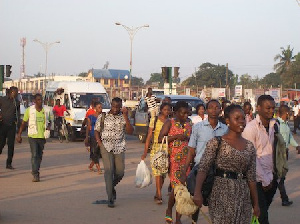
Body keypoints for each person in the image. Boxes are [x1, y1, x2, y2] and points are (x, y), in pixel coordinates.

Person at [193, 104, 260, 223]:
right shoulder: (216, 143)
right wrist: (197, 193)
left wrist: (256, 204)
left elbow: (251, 178)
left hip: (243, 196)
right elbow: (203, 169)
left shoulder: (249, 147)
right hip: (220, 193)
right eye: (237, 118)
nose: (241, 121)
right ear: (227, 120)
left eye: (243, 118)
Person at [182, 99, 228, 223]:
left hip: (218, 171)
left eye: (217, 107)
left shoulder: (225, 129)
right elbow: (191, 150)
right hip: (200, 169)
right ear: (207, 110)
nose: (214, 109)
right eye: (211, 107)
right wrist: (185, 169)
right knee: (197, 199)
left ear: (220, 110)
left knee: (217, 202)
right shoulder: (198, 127)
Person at [242, 95, 278, 224]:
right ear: (258, 108)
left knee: (261, 214)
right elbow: (251, 157)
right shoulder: (251, 129)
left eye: (273, 108)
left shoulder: (275, 125)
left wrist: (275, 177)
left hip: (271, 177)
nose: (271, 111)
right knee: (262, 217)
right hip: (256, 181)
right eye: (268, 108)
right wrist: (265, 180)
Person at [94, 97, 134, 208]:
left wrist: (126, 116)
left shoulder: (123, 117)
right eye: (113, 106)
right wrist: (99, 142)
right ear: (111, 105)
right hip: (105, 147)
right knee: (109, 171)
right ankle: (110, 198)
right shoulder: (103, 116)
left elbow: (130, 131)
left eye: (118, 107)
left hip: (119, 147)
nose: (115, 109)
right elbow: (96, 130)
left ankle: (110, 187)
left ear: (121, 107)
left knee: (120, 172)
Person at [158, 101, 192, 224]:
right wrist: (176, 137)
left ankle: (177, 217)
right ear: (176, 112)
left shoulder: (189, 123)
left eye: (187, 113)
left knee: (181, 189)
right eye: (183, 113)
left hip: (187, 160)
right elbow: (159, 139)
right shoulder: (169, 123)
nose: (185, 116)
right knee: (178, 188)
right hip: (174, 161)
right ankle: (170, 211)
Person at [141, 103, 171, 204]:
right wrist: (145, 151)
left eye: (168, 110)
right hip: (156, 148)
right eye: (165, 109)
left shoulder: (171, 121)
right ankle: (159, 195)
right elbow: (149, 135)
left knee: (163, 174)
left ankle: (158, 192)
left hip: (166, 149)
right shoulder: (155, 120)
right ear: (161, 110)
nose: (167, 111)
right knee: (157, 172)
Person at [16, 94, 51, 182]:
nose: (40, 101)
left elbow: (49, 121)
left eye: (41, 100)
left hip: (42, 136)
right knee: (34, 154)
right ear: (34, 101)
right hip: (32, 136)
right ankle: (35, 173)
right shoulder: (29, 110)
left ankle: (36, 169)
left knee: (39, 155)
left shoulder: (46, 110)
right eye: (38, 100)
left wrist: (48, 127)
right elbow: (24, 123)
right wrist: (19, 134)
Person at [277, 105, 300, 206]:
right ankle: (284, 198)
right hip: (278, 154)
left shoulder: (285, 124)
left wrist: (297, 146)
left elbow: (290, 137)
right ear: (286, 113)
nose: (290, 114)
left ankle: (284, 197)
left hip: (285, 152)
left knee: (281, 175)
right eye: (289, 113)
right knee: (280, 177)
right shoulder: (276, 124)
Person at [0, 86, 20, 169]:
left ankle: (9, 163)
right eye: (16, 92)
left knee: (11, 145)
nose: (16, 94)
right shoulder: (2, 99)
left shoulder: (17, 102)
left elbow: (18, 115)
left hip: (12, 126)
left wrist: (18, 127)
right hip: (2, 125)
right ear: (11, 92)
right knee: (1, 144)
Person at [85, 102, 102, 174]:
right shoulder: (90, 117)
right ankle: (99, 168)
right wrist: (86, 137)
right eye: (99, 107)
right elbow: (88, 127)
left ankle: (91, 166)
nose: (101, 109)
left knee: (98, 153)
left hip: (101, 136)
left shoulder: (103, 117)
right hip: (93, 136)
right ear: (95, 109)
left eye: (101, 107)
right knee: (94, 152)